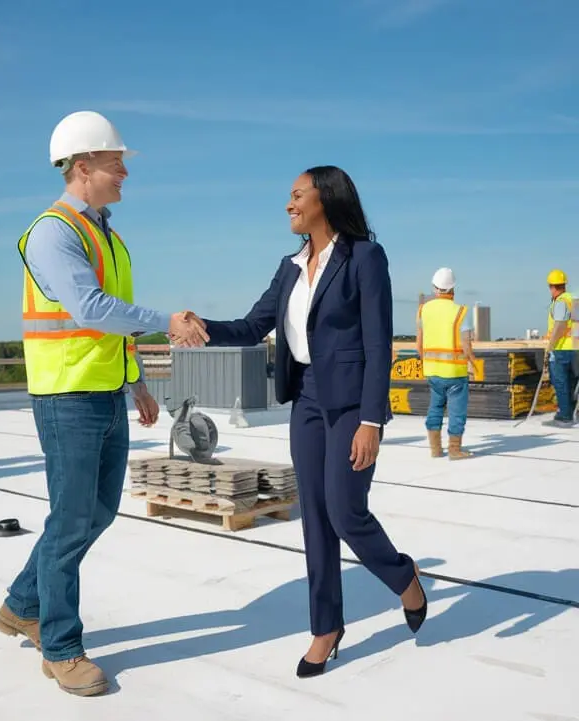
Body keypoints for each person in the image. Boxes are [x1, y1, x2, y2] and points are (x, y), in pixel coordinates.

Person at [173, 165, 427, 678]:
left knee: (345, 511)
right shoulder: (289, 266)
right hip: (306, 401)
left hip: (353, 404)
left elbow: (380, 343)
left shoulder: (365, 257)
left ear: (325, 200)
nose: (288, 204)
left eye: (296, 195)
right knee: (314, 517)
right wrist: (203, 327)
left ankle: (404, 577)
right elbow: (251, 325)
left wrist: (372, 421)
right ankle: (326, 627)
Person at [0, 111, 208, 697]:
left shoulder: (107, 234)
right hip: (66, 397)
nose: (124, 175)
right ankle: (60, 646)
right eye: (117, 165)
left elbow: (112, 324)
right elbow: (89, 309)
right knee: (69, 524)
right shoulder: (53, 231)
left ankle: (20, 603)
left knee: (98, 513)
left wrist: (135, 380)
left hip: (105, 390)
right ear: (83, 168)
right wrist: (167, 322)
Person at [416, 267, 477, 459]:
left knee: (435, 407)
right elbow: (466, 344)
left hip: (432, 371)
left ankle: (435, 449)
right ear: (453, 288)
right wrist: (473, 364)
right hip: (455, 373)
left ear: (435, 287)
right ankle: (454, 449)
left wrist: (427, 361)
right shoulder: (460, 311)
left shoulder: (423, 309)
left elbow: (419, 343)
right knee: (456, 411)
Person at [543, 269, 577, 425]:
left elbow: (560, 325)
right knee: (571, 381)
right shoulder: (573, 300)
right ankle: (572, 411)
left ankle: (565, 415)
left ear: (552, 286)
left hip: (562, 348)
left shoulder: (561, 302)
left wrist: (550, 346)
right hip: (575, 347)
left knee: (560, 382)